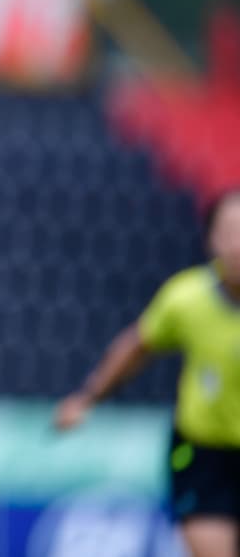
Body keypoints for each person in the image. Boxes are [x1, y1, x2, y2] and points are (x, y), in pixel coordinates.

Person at [54, 188, 240, 557]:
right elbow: (135, 347)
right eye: (230, 232)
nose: (239, 245)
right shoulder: (186, 299)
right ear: (211, 241)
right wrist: (89, 397)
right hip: (204, 455)